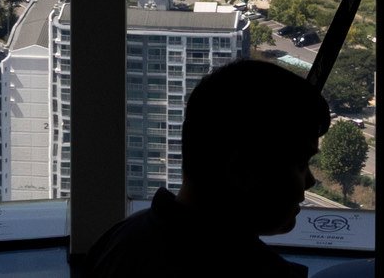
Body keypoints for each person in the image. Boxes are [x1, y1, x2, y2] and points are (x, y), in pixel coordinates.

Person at [79, 56, 334, 276]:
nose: (310, 180)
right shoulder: (255, 272)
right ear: (243, 170)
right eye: (301, 164)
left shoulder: (118, 242)